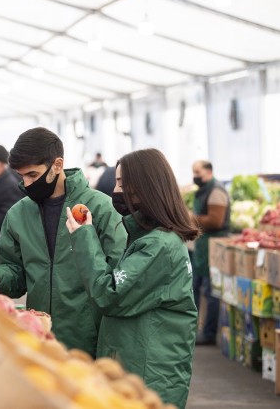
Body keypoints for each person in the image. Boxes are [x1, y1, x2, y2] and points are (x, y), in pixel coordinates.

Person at [0, 128, 126, 357]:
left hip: (89, 340)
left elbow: (117, 275)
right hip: (40, 340)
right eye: (22, 177)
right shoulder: (18, 214)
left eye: (33, 175)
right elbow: (16, 272)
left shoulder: (100, 208)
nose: (27, 184)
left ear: (57, 165)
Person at [65, 148, 198, 409]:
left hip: (149, 372)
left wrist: (84, 236)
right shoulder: (150, 239)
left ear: (145, 188)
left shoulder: (158, 245)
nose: (115, 191)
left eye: (122, 184)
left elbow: (109, 295)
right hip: (140, 363)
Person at [191, 160, 229, 345]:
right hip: (202, 248)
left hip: (213, 247)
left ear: (208, 171)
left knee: (211, 291)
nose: (195, 175)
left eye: (197, 172)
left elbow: (216, 221)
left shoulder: (216, 191)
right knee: (197, 288)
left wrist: (191, 219)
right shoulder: (203, 190)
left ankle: (209, 333)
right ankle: (197, 330)